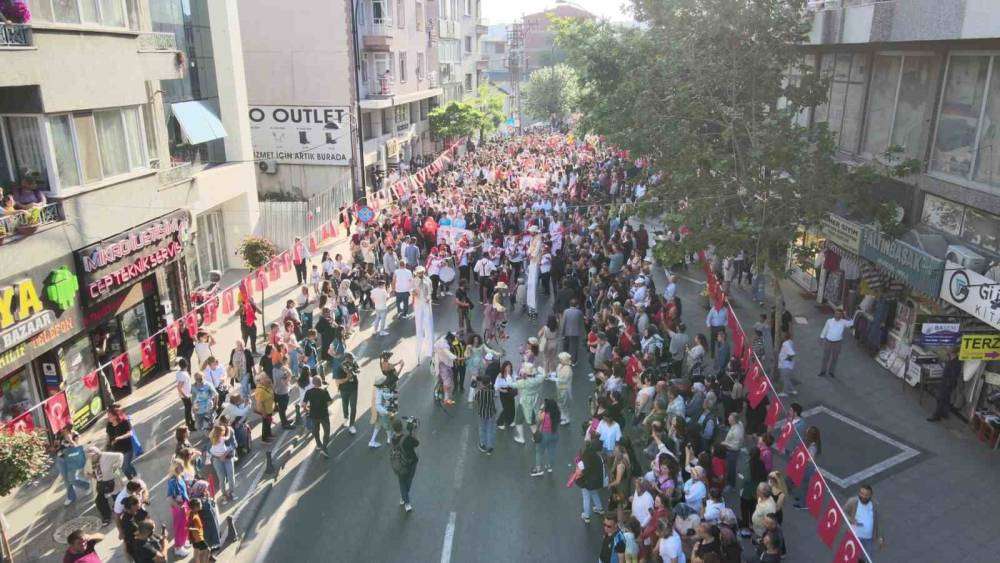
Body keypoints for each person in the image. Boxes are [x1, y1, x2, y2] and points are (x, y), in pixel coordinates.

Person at [843, 484, 885, 560]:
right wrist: (850, 519)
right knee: (853, 558)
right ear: (859, 493)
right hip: (855, 537)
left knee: (867, 558)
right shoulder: (852, 501)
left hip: (868, 539)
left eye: (866, 495)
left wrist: (880, 537)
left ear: (871, 495)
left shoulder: (874, 505)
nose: (863, 496)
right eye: (862, 493)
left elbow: (879, 522)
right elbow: (843, 512)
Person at [85, 446, 123, 527]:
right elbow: (86, 472)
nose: (91, 458)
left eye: (93, 456)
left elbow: (120, 456)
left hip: (112, 480)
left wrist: (116, 466)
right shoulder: (89, 460)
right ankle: (106, 517)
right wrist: (91, 475)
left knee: (117, 496)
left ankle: (121, 512)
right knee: (99, 500)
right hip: (99, 483)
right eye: (89, 456)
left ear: (97, 453)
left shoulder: (107, 455)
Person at [52, 428, 90, 506]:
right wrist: (52, 448)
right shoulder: (56, 434)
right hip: (60, 459)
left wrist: (70, 440)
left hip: (71, 458)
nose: (61, 429)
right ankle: (71, 497)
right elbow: (55, 447)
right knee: (66, 479)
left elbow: (76, 447)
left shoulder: (71, 433)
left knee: (72, 479)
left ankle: (87, 486)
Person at [390, 418, 419, 512]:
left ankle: (404, 499)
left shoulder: (392, 439)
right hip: (411, 463)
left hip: (399, 465)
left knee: (402, 482)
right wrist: (413, 431)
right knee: (408, 481)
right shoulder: (407, 438)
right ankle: (406, 501)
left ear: (394, 429)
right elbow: (416, 443)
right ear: (402, 427)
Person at [166, 459, 190, 557]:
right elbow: (169, 497)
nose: (183, 468)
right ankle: (178, 548)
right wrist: (179, 507)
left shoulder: (180, 477)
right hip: (179, 507)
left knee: (185, 524)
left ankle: (183, 541)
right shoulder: (172, 481)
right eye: (180, 466)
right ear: (175, 468)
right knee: (179, 527)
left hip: (184, 504)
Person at [818, 307, 853, 377]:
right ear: (834, 314)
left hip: (838, 342)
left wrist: (846, 316)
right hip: (828, 341)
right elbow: (825, 329)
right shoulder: (829, 321)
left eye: (839, 314)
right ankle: (823, 371)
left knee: (835, 358)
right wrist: (821, 338)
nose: (837, 315)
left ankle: (831, 372)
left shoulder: (844, 322)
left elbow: (852, 323)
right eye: (836, 313)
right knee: (825, 357)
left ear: (841, 315)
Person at [530, 398, 560, 476]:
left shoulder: (544, 414)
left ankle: (538, 469)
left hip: (544, 435)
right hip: (555, 434)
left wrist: (541, 409)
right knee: (551, 451)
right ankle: (550, 466)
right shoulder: (557, 413)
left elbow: (538, 420)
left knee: (539, 452)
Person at [928, 348, 960, 421]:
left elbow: (954, 375)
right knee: (945, 398)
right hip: (945, 381)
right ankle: (944, 413)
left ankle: (936, 415)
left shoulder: (956, 363)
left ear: (953, 353)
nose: (947, 351)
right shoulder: (951, 360)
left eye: (949, 350)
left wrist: (948, 383)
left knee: (941, 398)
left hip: (947, 383)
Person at [208, 425, 237, 500]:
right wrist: (228, 430)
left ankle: (230, 492)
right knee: (222, 478)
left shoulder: (213, 438)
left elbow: (234, 445)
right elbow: (228, 437)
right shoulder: (221, 438)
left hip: (227, 458)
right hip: (218, 459)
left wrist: (223, 456)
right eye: (223, 431)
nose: (224, 432)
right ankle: (225, 494)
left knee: (229, 476)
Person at [369, 374, 398, 449]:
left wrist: (391, 395)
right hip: (382, 412)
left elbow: (384, 395)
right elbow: (378, 406)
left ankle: (372, 440)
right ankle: (389, 438)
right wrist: (387, 412)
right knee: (386, 426)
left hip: (378, 412)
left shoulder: (378, 389)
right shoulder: (379, 392)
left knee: (378, 425)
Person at [412, 266, 435, 361]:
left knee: (428, 325)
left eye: (421, 272)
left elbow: (431, 290)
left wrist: (428, 298)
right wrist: (413, 293)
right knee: (419, 326)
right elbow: (411, 290)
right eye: (418, 273)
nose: (420, 274)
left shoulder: (428, 280)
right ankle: (419, 350)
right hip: (418, 304)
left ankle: (430, 349)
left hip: (426, 303)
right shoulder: (414, 281)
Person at [334, 352, 360, 434]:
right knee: (345, 404)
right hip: (344, 390)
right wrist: (347, 378)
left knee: (353, 407)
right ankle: (346, 417)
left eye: (352, 359)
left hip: (354, 389)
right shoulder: (339, 368)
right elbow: (338, 381)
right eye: (351, 359)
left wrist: (356, 371)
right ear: (346, 359)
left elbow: (358, 369)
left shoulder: (353, 363)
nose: (353, 361)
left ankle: (351, 425)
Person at [474, 373, 498, 454]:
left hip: (482, 413)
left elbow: (476, 400)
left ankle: (483, 444)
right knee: (490, 429)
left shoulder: (479, 392)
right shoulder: (492, 392)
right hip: (491, 413)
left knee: (482, 428)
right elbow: (494, 398)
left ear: (481, 383)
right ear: (489, 383)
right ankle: (490, 447)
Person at [253, 373, 276, 442]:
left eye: (267, 377)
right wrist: (263, 413)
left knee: (268, 423)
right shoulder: (260, 390)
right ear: (260, 380)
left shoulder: (266, 385)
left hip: (269, 409)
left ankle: (269, 434)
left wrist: (270, 383)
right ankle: (265, 438)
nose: (267, 379)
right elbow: (259, 403)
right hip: (265, 411)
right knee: (265, 424)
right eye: (265, 378)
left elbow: (272, 390)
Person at [561, 298, 585, 363]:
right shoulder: (579, 312)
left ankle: (564, 359)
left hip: (567, 332)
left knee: (566, 346)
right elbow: (581, 324)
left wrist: (562, 333)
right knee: (574, 348)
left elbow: (563, 322)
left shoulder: (566, 311)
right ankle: (573, 361)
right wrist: (583, 334)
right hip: (575, 333)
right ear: (576, 305)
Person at [175, 359, 196, 431]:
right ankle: (189, 425)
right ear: (186, 365)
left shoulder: (179, 373)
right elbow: (179, 387)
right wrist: (185, 396)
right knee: (188, 410)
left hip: (185, 395)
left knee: (189, 409)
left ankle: (191, 421)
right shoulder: (183, 375)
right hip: (186, 395)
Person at [188, 498, 210, 563]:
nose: (201, 505)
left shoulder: (191, 513)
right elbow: (191, 528)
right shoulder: (194, 517)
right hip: (198, 538)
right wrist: (200, 539)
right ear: (195, 507)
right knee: (207, 550)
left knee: (196, 551)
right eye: (200, 504)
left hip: (194, 539)